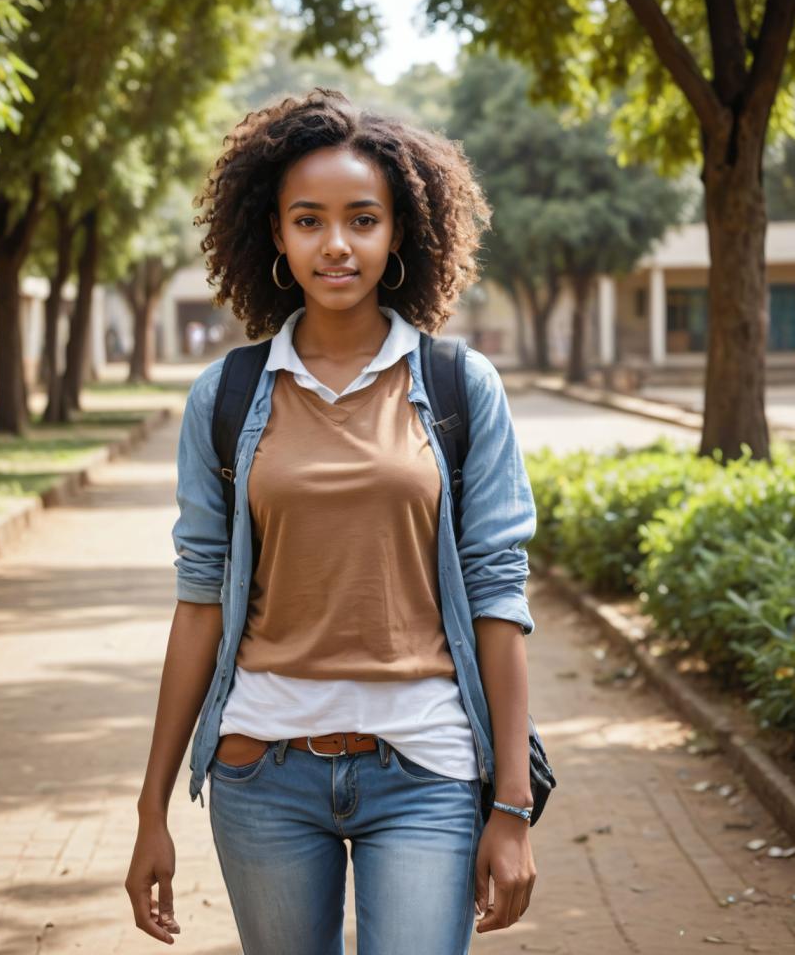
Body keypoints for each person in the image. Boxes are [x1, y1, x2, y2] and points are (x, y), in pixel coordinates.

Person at [125, 87, 539, 954]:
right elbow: (201, 599)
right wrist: (151, 806)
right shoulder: (228, 398)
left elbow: (500, 597)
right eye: (308, 221)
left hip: (426, 765)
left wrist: (511, 805)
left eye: (363, 219)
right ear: (276, 236)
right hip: (261, 767)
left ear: (399, 235)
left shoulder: (461, 389)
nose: (337, 245)